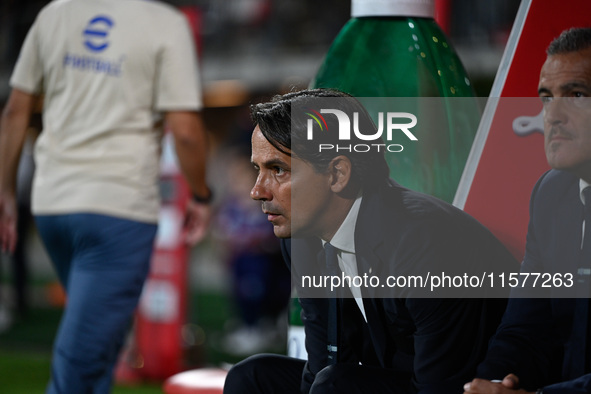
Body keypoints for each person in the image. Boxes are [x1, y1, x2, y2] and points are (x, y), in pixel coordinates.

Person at [223, 88, 519, 394]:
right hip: (401, 377)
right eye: (257, 170)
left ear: (337, 173)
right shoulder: (302, 237)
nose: (257, 191)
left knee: (336, 386)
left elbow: (441, 384)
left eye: (278, 170)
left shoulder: (422, 239)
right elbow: (324, 360)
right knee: (252, 378)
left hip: (467, 384)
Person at [0, 0, 211, 392]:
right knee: (79, 364)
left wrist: (6, 191)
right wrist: (201, 195)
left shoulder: (54, 13)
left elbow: (15, 111)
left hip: (53, 206)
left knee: (100, 347)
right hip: (118, 208)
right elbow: (185, 130)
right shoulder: (165, 23)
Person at [464, 27, 591, 394]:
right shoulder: (552, 195)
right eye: (547, 98)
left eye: (577, 94)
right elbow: (524, 331)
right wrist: (492, 383)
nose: (553, 115)